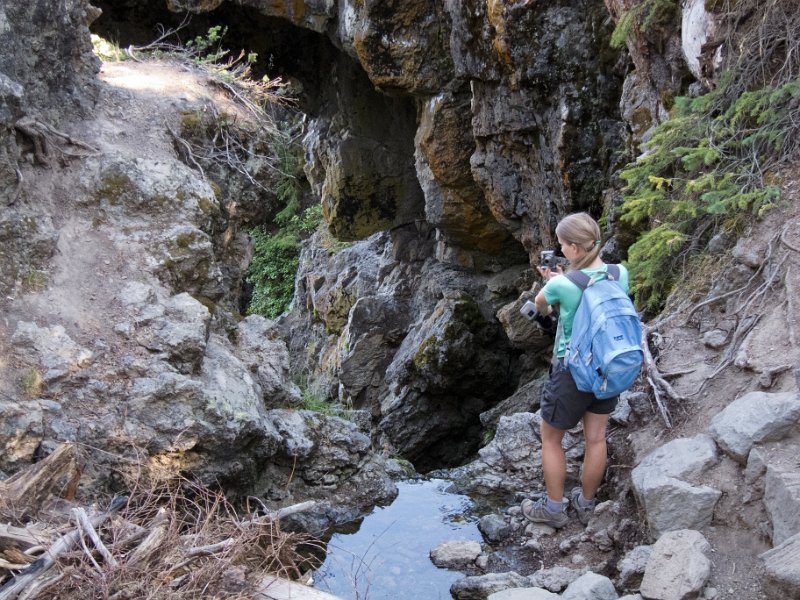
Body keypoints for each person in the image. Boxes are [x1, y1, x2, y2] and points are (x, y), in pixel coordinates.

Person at [521, 212, 629, 528]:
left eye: (563, 245)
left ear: (574, 247)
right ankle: (587, 502)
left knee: (551, 439)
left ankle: (554, 509)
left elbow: (540, 308)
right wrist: (564, 277)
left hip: (572, 370)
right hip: (608, 368)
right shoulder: (619, 272)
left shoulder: (561, 284)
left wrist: (553, 281)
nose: (561, 249)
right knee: (596, 438)